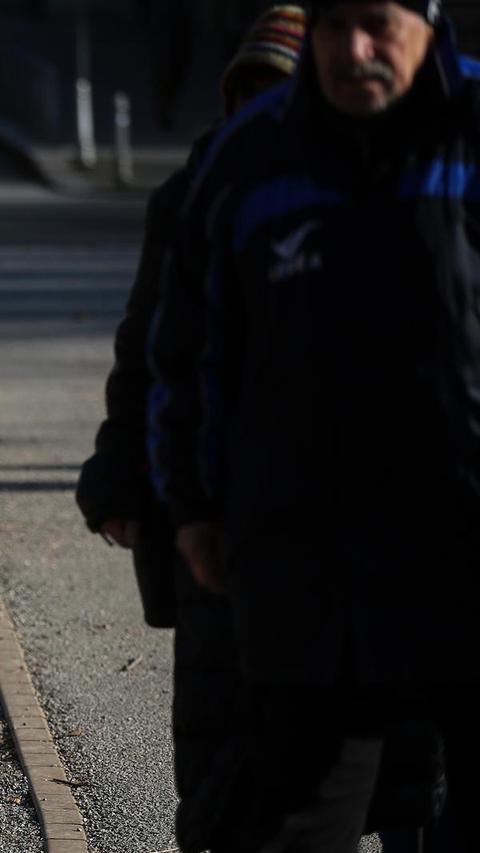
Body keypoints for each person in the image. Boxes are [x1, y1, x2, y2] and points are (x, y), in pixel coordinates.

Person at [148, 1, 480, 848]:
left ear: (430, 19)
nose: (351, 50)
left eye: (375, 23)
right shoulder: (253, 154)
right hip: (307, 576)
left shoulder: (468, 129)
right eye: (333, 25)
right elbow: (186, 346)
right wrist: (192, 503)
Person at [77, 8, 307, 850]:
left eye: (276, 93)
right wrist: (118, 475)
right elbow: (148, 347)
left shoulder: (358, 193)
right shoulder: (193, 191)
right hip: (208, 496)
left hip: (322, 506)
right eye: (248, 90)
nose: (259, 111)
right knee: (215, 718)